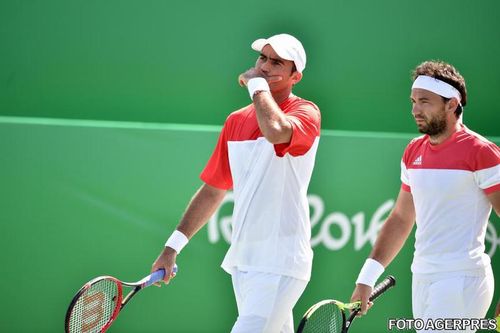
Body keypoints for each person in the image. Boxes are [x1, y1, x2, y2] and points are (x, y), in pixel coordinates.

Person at [152, 33, 321, 333]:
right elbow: (214, 189)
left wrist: (256, 85)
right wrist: (172, 247)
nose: (265, 66)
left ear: (295, 76)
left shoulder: (305, 113)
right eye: (263, 58)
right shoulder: (235, 121)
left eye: (277, 62)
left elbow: (276, 131)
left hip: (281, 260)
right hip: (243, 262)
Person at [350, 60, 500, 332]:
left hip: (462, 279)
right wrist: (366, 278)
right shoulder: (412, 151)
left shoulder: (481, 152)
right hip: (422, 276)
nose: (415, 110)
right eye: (413, 101)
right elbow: (400, 218)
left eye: (425, 101)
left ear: (452, 104)